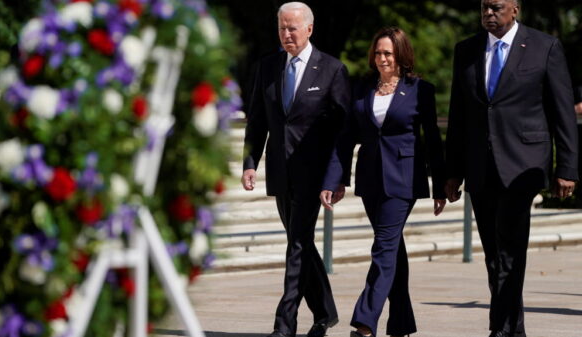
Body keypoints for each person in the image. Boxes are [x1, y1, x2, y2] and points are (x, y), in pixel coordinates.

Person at [444, 1, 578, 336]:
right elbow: (458, 116)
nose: (489, 13)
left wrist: (568, 167)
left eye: (497, 7)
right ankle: (512, 329)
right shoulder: (467, 50)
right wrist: (452, 171)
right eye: (484, 7)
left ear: (515, 9)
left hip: (524, 165)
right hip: (480, 165)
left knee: (510, 249)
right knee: (494, 254)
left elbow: (562, 111)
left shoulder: (544, 47)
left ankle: (500, 330)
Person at [320, 27, 446, 337]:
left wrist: (442, 184)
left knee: (383, 247)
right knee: (392, 251)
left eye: (388, 53)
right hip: (370, 178)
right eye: (378, 52)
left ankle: (364, 323)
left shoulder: (420, 90)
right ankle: (401, 324)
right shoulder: (361, 88)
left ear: (402, 55)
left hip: (403, 179)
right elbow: (346, 137)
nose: (382, 58)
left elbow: (432, 140)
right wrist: (335, 179)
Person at [241, 2, 350, 337]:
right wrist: (250, 162)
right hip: (280, 171)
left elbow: (343, 133)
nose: (286, 34)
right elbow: (258, 119)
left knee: (298, 244)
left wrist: (337, 177)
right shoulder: (268, 66)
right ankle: (325, 312)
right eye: (282, 28)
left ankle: (284, 323)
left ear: (309, 29)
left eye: (293, 28)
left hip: (314, 175)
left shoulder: (331, 69)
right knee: (299, 240)